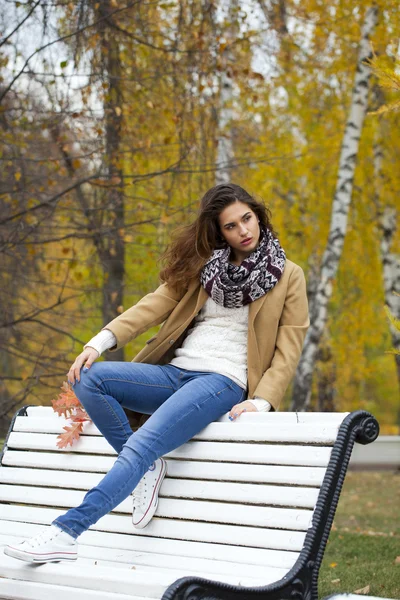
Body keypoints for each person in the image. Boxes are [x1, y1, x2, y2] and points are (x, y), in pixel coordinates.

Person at [4, 183, 309, 563]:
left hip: (222, 382)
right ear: (220, 232)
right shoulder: (206, 267)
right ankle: (147, 468)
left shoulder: (289, 275)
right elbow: (153, 304)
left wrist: (261, 401)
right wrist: (97, 343)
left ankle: (66, 531)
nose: (243, 230)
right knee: (90, 379)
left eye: (247, 218)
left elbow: (289, 346)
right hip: (176, 373)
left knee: (142, 442)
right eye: (231, 226)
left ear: (257, 216)